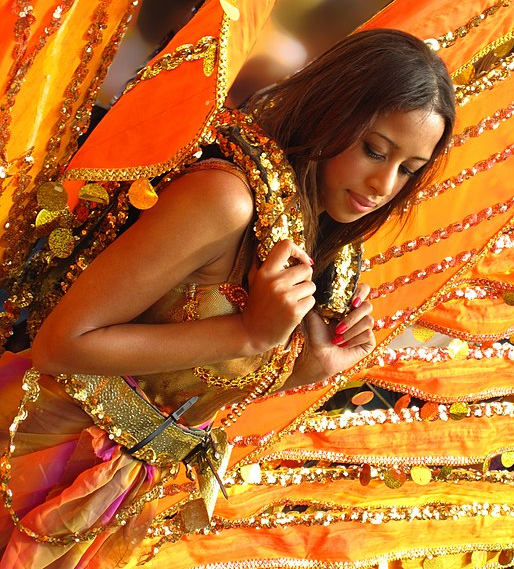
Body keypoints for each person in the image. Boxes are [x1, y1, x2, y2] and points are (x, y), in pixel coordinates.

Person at [0, 28, 455, 566]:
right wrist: (250, 333)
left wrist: (302, 369)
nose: (383, 184)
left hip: (117, 494)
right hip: (32, 450)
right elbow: (61, 343)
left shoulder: (319, 241)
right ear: (330, 114)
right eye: (374, 150)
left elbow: (187, 384)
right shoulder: (226, 199)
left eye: (408, 170)